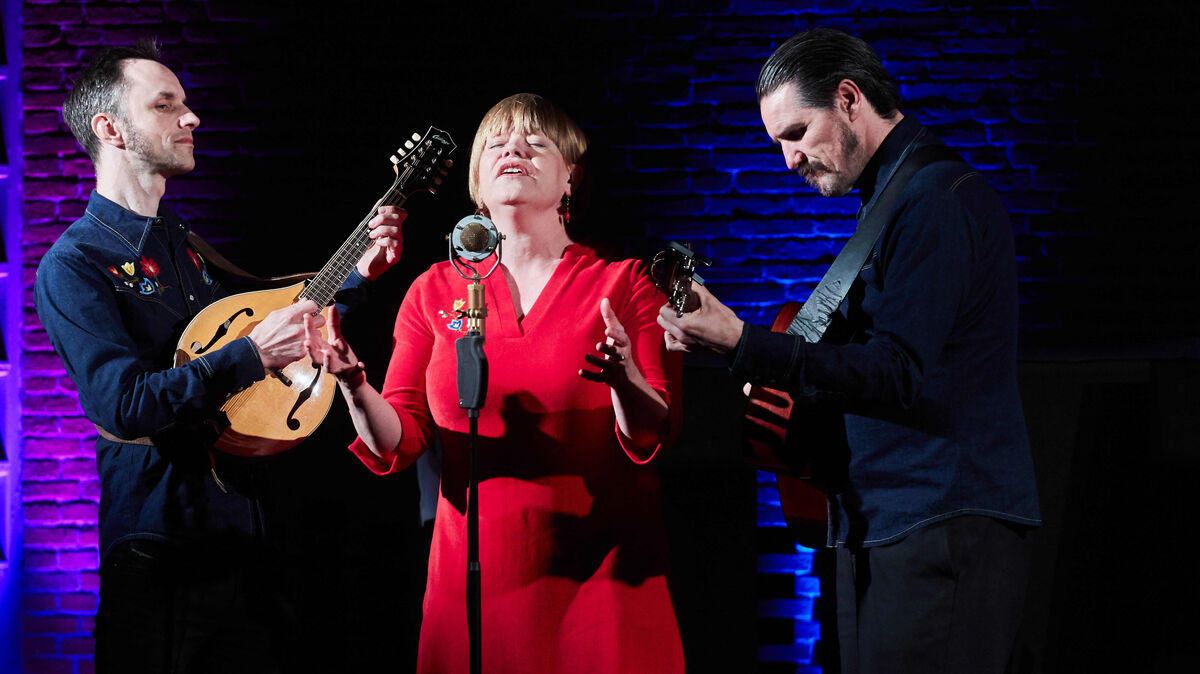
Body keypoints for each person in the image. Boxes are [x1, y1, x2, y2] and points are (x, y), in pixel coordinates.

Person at [657, 28, 1042, 674]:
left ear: (847, 99)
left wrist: (744, 343)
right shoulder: (895, 205)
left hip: (940, 522)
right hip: (890, 526)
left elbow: (895, 373)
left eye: (796, 133)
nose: (788, 160)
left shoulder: (935, 204)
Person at [35, 41, 406, 672]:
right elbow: (122, 406)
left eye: (185, 102)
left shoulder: (189, 249)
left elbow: (284, 314)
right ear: (110, 130)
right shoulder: (74, 266)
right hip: (160, 553)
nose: (191, 118)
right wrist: (248, 355)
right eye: (165, 104)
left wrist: (358, 275)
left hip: (248, 541)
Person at [304, 93, 686, 673]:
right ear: (478, 184)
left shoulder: (626, 284)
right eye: (498, 144)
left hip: (606, 588)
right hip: (472, 594)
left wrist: (624, 379)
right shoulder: (433, 290)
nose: (515, 150)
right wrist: (354, 384)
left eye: (536, 143)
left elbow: (651, 431)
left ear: (571, 178)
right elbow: (397, 441)